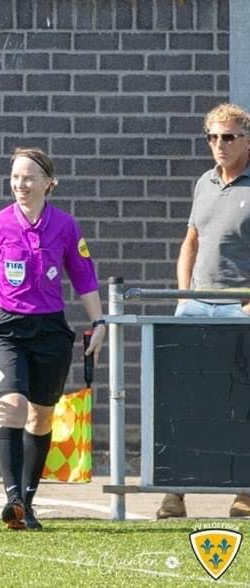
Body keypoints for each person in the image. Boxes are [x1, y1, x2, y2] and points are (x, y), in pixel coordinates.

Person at [0, 147, 106, 531]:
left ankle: (27, 501)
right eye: (15, 178)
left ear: (48, 183)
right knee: (10, 406)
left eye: (28, 178)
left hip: (50, 330)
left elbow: (84, 277)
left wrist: (100, 322)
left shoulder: (65, 226)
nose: (20, 185)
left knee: (40, 417)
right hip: (6, 329)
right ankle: (11, 497)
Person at [156, 103, 250, 520]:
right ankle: (175, 492)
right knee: (183, 399)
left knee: (239, 400)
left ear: (246, 139)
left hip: (239, 308)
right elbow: (190, 243)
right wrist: (182, 296)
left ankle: (244, 490)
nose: (219, 145)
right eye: (212, 137)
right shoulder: (204, 183)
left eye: (228, 137)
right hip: (196, 305)